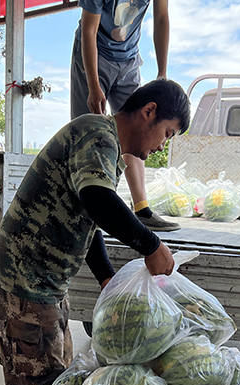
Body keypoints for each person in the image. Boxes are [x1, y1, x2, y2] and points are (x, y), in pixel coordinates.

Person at [0, 78, 190, 385]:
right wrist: (150, 244)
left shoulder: (105, 148)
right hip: (22, 279)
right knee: (34, 380)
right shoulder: (98, 132)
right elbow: (97, 198)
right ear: (148, 112)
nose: (160, 146)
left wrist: (105, 274)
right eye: (166, 133)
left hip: (46, 282)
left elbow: (89, 215)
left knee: (56, 373)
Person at [70, 0, 179, 232]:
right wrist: (93, 85)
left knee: (140, 127)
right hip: (93, 53)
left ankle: (142, 208)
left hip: (128, 58)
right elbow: (89, 29)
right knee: (89, 131)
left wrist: (162, 72)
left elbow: (161, 18)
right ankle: (83, 208)